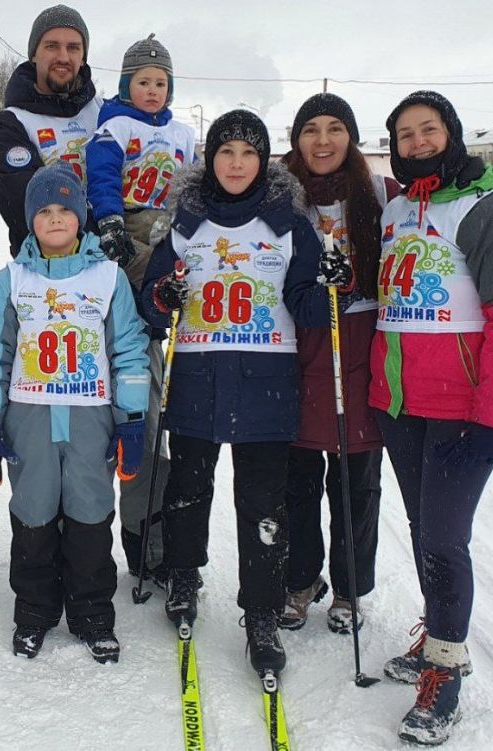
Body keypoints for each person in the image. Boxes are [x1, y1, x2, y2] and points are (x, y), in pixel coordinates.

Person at [140, 110, 348, 679]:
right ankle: (183, 576)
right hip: (199, 380)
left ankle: (260, 611)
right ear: (211, 159)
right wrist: (165, 293)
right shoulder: (186, 221)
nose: (236, 163)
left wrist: (332, 280)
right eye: (226, 152)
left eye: (248, 153)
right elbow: (151, 302)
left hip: (265, 387)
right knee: (187, 488)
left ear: (263, 162)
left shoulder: (288, 224)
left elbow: (308, 305)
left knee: (264, 508)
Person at [373, 91, 493, 745]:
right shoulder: (394, 207)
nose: (416, 143)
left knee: (444, 537)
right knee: (423, 527)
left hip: (461, 410)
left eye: (428, 130)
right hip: (400, 403)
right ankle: (436, 634)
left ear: (452, 134)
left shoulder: (490, 207)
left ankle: (447, 668)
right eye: (405, 135)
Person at [0, 163, 150, 664]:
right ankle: (34, 611)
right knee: (33, 512)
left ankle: (93, 614)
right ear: (30, 220)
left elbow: (129, 351)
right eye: (44, 212)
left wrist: (131, 418)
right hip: (28, 418)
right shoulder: (12, 279)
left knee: (90, 512)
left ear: (81, 218)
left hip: (90, 417)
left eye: (65, 210)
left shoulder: (107, 277)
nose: (55, 220)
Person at [279, 94, 400, 634]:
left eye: (334, 129)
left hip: (359, 344)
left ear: (351, 137)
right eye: (310, 129)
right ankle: (301, 577)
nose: (322, 140)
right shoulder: (278, 198)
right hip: (301, 343)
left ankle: (350, 588)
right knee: (297, 480)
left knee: (356, 483)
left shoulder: (380, 195)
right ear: (296, 138)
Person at [84, 33, 197, 582]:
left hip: (168, 229)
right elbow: (101, 174)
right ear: (127, 83)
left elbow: (197, 185)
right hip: (129, 223)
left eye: (160, 83)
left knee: (159, 308)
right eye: (143, 81)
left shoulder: (182, 133)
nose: (151, 90)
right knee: (129, 308)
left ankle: (152, 540)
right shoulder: (114, 125)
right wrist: (107, 219)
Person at [0, 5, 101, 256]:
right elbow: (30, 210)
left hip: (111, 271)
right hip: (43, 276)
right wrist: (102, 237)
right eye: (51, 46)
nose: (63, 56)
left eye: (73, 47)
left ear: (83, 57)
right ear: (34, 54)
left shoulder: (103, 112)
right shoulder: (10, 124)